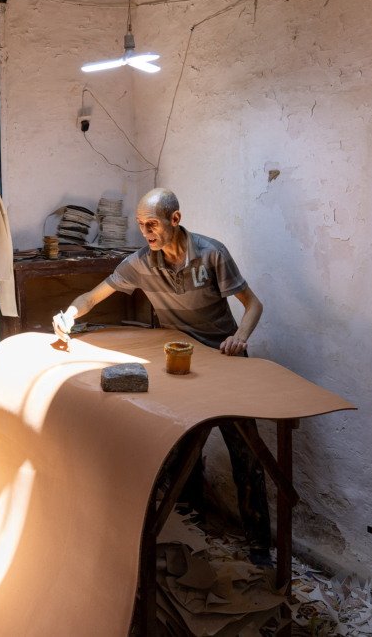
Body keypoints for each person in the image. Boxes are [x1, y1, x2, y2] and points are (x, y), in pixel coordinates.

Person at [53, 188, 272, 567]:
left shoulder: (212, 254)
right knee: (182, 448)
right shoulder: (140, 263)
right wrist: (69, 314)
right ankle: (191, 530)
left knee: (245, 453)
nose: (146, 232)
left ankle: (259, 547)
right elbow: (92, 296)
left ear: (175, 219)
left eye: (152, 224)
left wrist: (240, 337)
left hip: (225, 359)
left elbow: (253, 305)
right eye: (141, 225)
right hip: (180, 363)